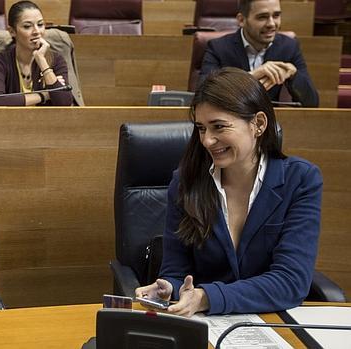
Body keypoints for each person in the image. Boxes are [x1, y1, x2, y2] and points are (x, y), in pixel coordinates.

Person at [135, 67, 322, 316]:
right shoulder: (185, 183)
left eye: (219, 127)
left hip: (273, 321)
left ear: (258, 124)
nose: (207, 140)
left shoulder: (300, 179)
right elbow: (177, 272)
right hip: (206, 327)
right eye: (201, 128)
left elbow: (290, 282)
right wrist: (169, 288)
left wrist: (207, 297)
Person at [200, 0, 319, 107]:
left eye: (276, 15)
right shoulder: (219, 48)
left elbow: (312, 103)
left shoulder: (289, 47)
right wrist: (252, 76)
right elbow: (202, 95)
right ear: (241, 20)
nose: (272, 24)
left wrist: (294, 75)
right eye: (262, 17)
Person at [0, 0, 73, 106]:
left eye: (40, 24)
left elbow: (65, 102)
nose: (36, 32)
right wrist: (44, 95)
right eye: (27, 26)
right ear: (12, 31)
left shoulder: (56, 60)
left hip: (47, 122)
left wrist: (43, 63)